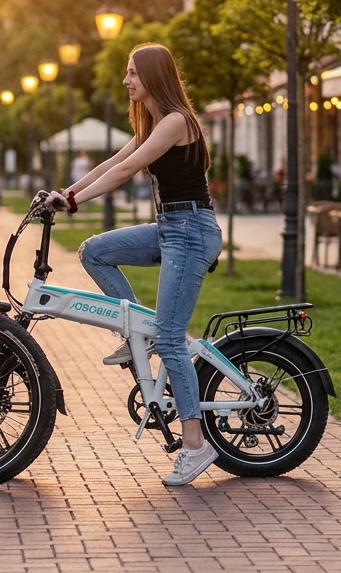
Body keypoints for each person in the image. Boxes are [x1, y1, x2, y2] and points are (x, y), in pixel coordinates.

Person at [46, 42, 223, 487]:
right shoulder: (156, 124)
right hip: (170, 228)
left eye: (132, 73)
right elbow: (113, 162)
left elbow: (126, 172)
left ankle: (196, 446)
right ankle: (134, 333)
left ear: (152, 77)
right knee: (94, 251)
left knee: (169, 336)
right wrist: (63, 191)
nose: (126, 81)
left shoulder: (176, 122)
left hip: (192, 231)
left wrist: (72, 201)